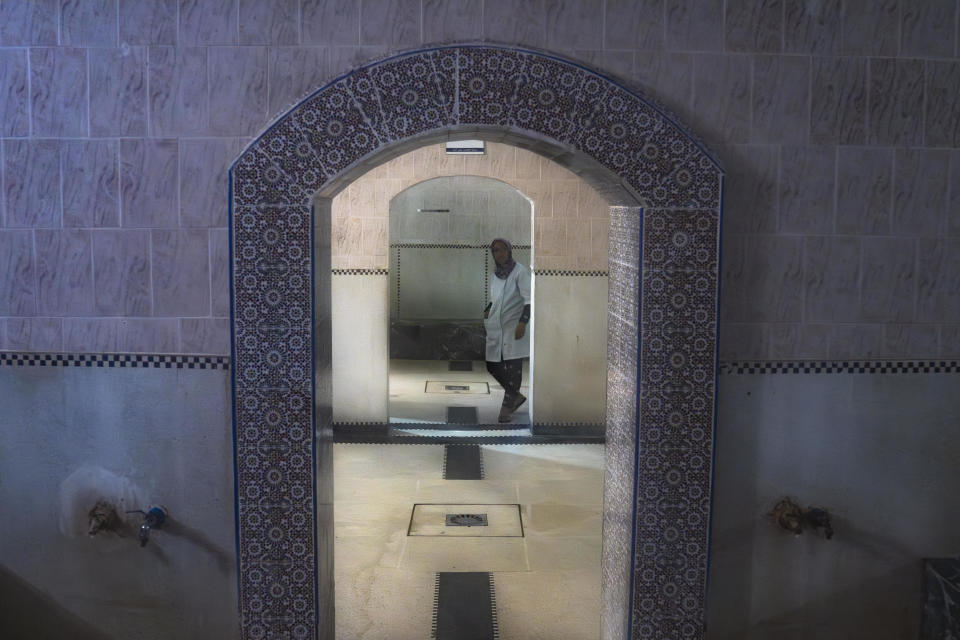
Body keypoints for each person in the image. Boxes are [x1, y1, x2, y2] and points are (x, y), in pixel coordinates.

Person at [483, 238, 531, 423]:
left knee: (513, 369)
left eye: (502, 249)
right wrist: (487, 312)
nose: (499, 253)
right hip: (496, 327)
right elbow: (494, 299)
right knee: (492, 364)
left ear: (509, 251)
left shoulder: (520, 271)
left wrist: (522, 323)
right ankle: (515, 396)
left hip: (513, 328)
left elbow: (528, 299)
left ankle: (507, 408)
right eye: (495, 250)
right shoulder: (495, 274)